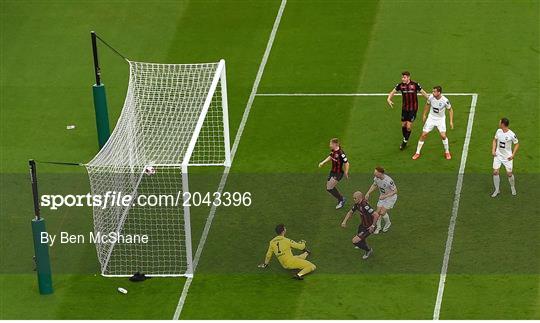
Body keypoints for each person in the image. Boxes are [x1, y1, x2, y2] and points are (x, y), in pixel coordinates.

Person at [387, 71, 429, 150]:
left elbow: (422, 92)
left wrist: (429, 98)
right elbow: (392, 92)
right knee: (403, 125)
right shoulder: (400, 85)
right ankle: (405, 138)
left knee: (408, 126)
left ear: (409, 77)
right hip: (404, 108)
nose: (403, 79)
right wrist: (389, 99)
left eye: (404, 77)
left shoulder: (415, 85)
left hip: (413, 109)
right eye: (402, 77)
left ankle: (405, 141)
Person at [413, 85, 454, 160]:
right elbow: (427, 105)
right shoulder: (431, 97)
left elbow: (450, 110)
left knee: (443, 136)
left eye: (434, 91)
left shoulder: (445, 100)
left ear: (439, 92)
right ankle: (417, 152)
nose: (433, 93)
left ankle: (447, 152)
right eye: (433, 91)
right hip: (431, 118)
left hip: (440, 119)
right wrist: (424, 114)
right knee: (423, 134)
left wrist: (451, 121)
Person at [341, 191, 381, 260]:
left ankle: (368, 250)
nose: (353, 200)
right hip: (362, 225)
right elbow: (350, 212)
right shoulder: (357, 204)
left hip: (368, 227)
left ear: (360, 198)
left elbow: (376, 215)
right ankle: (362, 244)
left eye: (355, 198)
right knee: (360, 239)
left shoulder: (365, 206)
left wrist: (373, 226)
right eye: (353, 198)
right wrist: (344, 221)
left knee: (355, 241)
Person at [318, 138, 349, 209]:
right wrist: (323, 162)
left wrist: (346, 171)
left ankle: (341, 199)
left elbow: (347, 163)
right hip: (332, 172)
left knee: (330, 187)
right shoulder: (333, 151)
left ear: (335, 144)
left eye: (331, 144)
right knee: (329, 188)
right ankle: (341, 199)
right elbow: (330, 156)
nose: (329, 145)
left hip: (338, 173)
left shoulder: (341, 153)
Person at [491, 117, 519, 197]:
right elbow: (494, 140)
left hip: (507, 157)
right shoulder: (498, 131)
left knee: (509, 174)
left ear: (503, 124)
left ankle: (512, 187)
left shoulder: (511, 134)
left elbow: (517, 144)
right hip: (498, 155)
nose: (499, 123)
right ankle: (497, 190)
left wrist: (513, 155)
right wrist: (493, 150)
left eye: (500, 122)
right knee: (495, 172)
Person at [365, 166, 397, 234]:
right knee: (377, 213)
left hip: (390, 198)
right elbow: (374, 185)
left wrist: (385, 196)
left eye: (375, 172)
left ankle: (388, 223)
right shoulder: (377, 178)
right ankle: (378, 227)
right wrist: (368, 193)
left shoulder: (389, 180)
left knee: (382, 213)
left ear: (380, 173)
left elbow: (395, 191)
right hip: (382, 197)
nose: (374, 173)